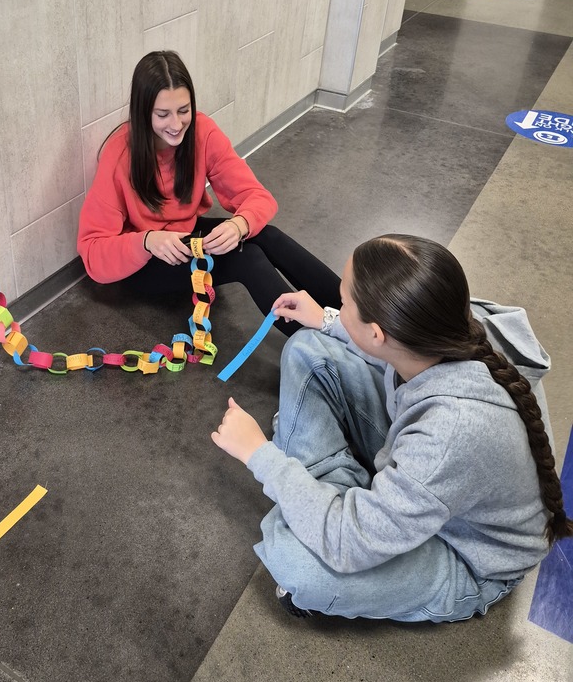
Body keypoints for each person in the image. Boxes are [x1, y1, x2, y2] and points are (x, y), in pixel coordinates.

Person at [211, 233, 572, 622]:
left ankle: (334, 507)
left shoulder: (450, 435)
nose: (339, 304)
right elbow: (388, 354)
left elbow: (349, 540)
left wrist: (260, 455)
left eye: (343, 301)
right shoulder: (447, 327)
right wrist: (328, 319)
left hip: (468, 554)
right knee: (306, 347)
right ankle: (341, 509)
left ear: (377, 333)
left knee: (296, 563)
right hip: (432, 472)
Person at [77, 51, 341, 335]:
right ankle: (320, 347)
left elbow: (258, 197)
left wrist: (239, 224)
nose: (176, 125)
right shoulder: (119, 155)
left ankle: (353, 317)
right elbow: (92, 255)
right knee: (247, 259)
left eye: (183, 111)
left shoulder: (203, 132)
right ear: (143, 113)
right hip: (144, 260)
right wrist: (147, 240)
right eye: (163, 114)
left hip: (184, 239)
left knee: (266, 235)